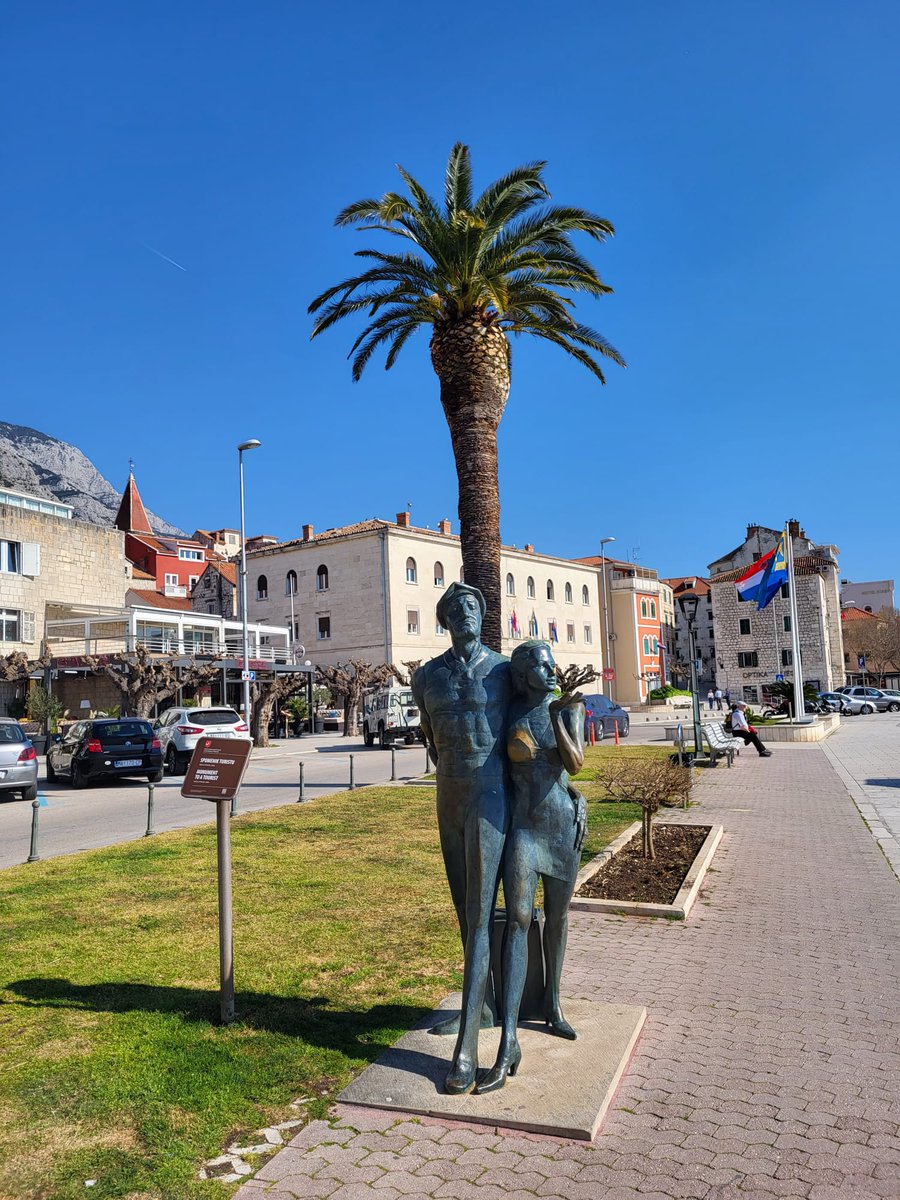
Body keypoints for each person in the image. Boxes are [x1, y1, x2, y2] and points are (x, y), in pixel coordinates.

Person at [412, 582, 511, 1095]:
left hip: (492, 793)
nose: (465, 613)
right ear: (445, 618)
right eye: (456, 608)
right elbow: (429, 735)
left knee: (477, 914)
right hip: (448, 791)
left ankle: (467, 1047)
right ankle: (486, 1005)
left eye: (473, 606)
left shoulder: (504, 671)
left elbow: (532, 734)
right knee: (462, 910)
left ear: (483, 614)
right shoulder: (426, 676)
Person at [478, 640, 586, 1094]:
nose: (551, 670)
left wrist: (560, 715)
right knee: (519, 920)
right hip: (523, 828)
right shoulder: (508, 714)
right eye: (542, 665)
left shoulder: (569, 709)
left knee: (558, 917)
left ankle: (554, 1005)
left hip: (562, 823)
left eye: (551, 664)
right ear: (523, 674)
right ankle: (509, 1040)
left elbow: (576, 764)